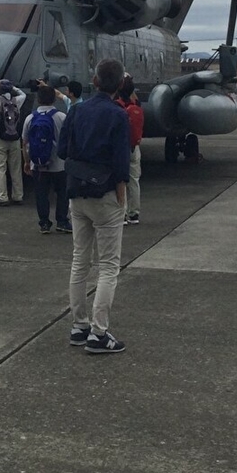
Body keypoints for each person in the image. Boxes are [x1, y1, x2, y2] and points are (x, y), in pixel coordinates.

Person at [58, 57, 130, 354]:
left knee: (80, 260)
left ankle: (79, 325)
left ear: (95, 80)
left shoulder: (77, 111)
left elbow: (62, 150)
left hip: (77, 192)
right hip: (106, 194)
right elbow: (121, 161)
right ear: (120, 85)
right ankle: (99, 333)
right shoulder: (118, 115)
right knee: (109, 265)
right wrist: (122, 194)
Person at [22, 82, 71, 235]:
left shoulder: (30, 118)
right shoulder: (62, 117)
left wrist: (27, 161)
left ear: (38, 99)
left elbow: (25, 142)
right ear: (53, 100)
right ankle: (62, 221)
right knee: (62, 193)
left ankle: (44, 223)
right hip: (59, 164)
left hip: (38, 164)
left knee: (41, 194)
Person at [117, 75, 144, 225]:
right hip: (135, 147)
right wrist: (129, 82)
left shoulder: (117, 106)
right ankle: (134, 214)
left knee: (120, 180)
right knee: (134, 181)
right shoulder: (136, 106)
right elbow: (132, 95)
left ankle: (122, 213)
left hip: (121, 148)